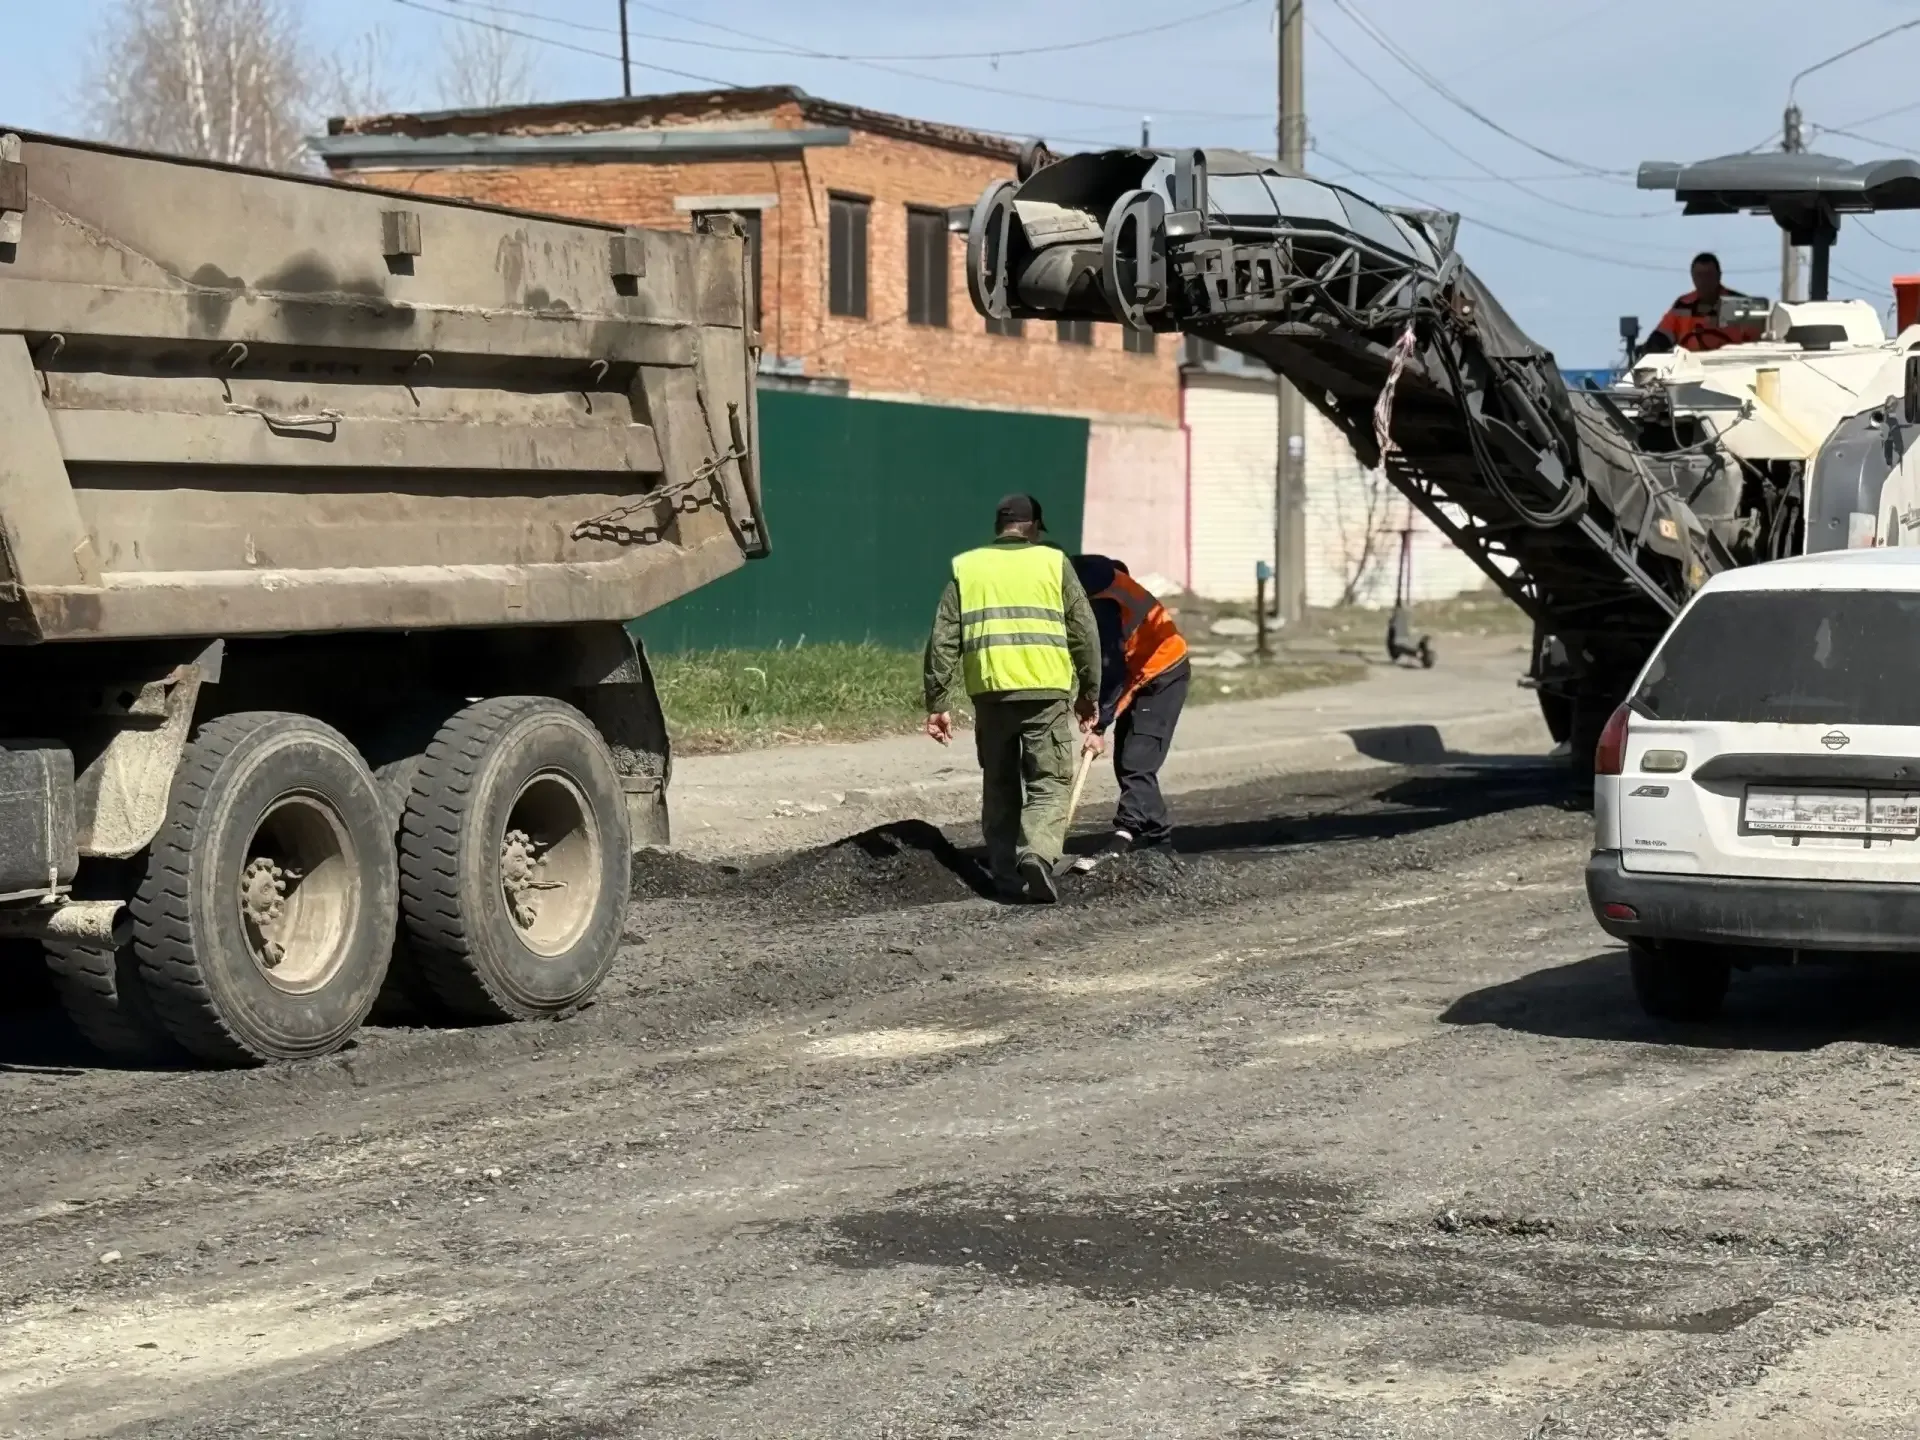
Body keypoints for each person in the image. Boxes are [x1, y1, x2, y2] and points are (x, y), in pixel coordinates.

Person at [924, 494, 1101, 903]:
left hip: (990, 694)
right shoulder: (1053, 562)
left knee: (999, 784)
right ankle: (1036, 854)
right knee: (1048, 782)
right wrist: (1089, 693)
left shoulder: (967, 566)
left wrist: (938, 702)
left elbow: (943, 639)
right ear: (1033, 527)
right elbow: (1084, 630)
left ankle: (1005, 875)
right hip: (1045, 694)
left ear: (998, 526)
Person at [1067, 555, 1190, 871]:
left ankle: (1128, 838)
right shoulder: (1085, 572)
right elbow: (1118, 566)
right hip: (1138, 670)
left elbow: (1110, 668)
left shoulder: (1099, 603)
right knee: (1128, 761)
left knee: (1137, 763)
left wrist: (1099, 726)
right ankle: (1157, 841)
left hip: (1161, 671)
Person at [1646, 252, 1763, 354]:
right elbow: (1661, 336)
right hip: (1689, 367)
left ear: (1719, 276)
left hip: (1730, 367)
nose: (1704, 281)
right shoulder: (1682, 305)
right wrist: (1650, 348)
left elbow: (1759, 345)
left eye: (1709, 275)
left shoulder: (1740, 305)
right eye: (1699, 276)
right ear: (1692, 277)